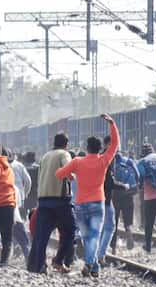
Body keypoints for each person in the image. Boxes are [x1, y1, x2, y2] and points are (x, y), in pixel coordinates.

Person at [55, 114, 119, 277]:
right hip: (98, 203)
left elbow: (59, 174)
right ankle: (92, 264)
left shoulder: (77, 162)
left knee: (86, 237)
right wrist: (112, 124)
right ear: (99, 148)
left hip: (81, 204)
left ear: (87, 147)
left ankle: (91, 265)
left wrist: (70, 175)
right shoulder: (104, 160)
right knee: (95, 236)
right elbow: (115, 144)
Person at [26, 133, 75, 274]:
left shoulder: (45, 156)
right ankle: (58, 260)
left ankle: (37, 266)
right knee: (70, 230)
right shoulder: (64, 154)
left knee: (42, 236)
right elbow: (67, 171)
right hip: (60, 200)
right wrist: (73, 177)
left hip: (43, 200)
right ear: (66, 144)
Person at [106, 147, 140, 256]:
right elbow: (138, 175)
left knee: (114, 222)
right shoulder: (129, 161)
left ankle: (114, 247)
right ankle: (129, 229)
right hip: (128, 194)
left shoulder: (110, 161)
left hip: (115, 195)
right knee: (128, 218)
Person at [8, 148, 32, 260]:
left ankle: (14, 245)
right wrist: (25, 194)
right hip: (18, 199)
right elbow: (28, 182)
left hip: (5, 200)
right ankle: (22, 249)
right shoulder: (19, 165)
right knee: (19, 223)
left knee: (10, 226)